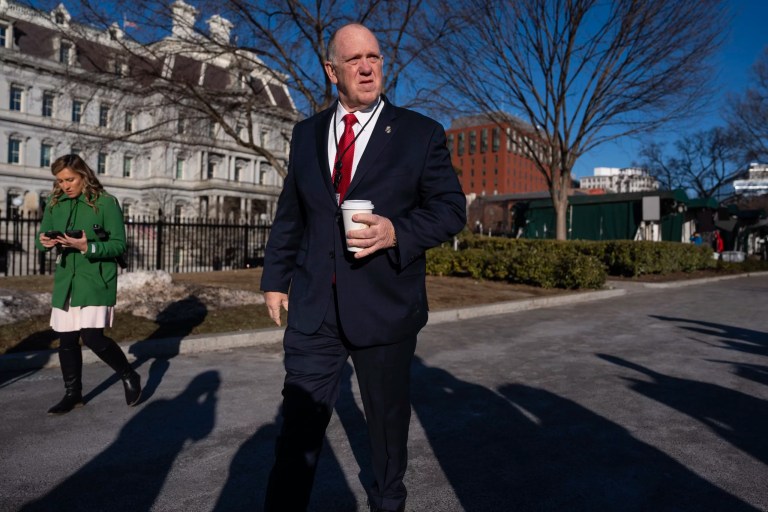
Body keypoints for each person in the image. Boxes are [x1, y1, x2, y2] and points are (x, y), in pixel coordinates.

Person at [260, 23, 466, 512]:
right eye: (354, 60)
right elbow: (292, 213)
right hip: (314, 311)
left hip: (385, 308)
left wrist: (396, 233)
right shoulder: (305, 133)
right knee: (298, 432)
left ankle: (387, 503)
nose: (368, 67)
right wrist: (275, 280)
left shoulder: (420, 134)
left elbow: (450, 209)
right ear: (333, 71)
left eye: (374, 56)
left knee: (386, 430)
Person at [36, 154, 141, 415]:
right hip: (66, 280)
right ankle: (73, 394)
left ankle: (128, 374)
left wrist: (87, 246)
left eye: (70, 179)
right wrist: (45, 242)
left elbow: (118, 244)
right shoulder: (54, 203)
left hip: (95, 278)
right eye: (60, 181)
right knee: (67, 340)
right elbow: (41, 238)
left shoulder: (105, 203)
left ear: (84, 175)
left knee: (93, 337)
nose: (65, 185)